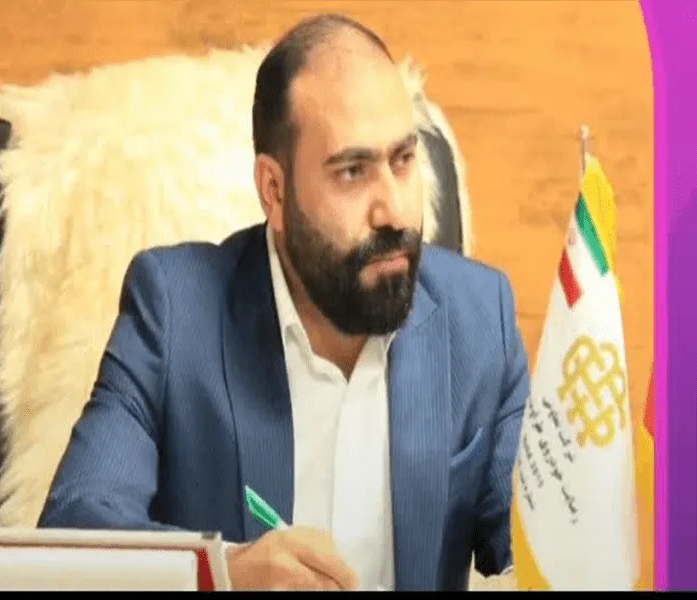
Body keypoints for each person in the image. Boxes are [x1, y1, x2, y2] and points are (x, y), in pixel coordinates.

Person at [38, 13, 530, 592]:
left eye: (403, 161)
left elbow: (543, 546)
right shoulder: (175, 311)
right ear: (273, 190)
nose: (394, 211)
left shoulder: (480, 319)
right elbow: (72, 542)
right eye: (352, 172)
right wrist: (224, 577)